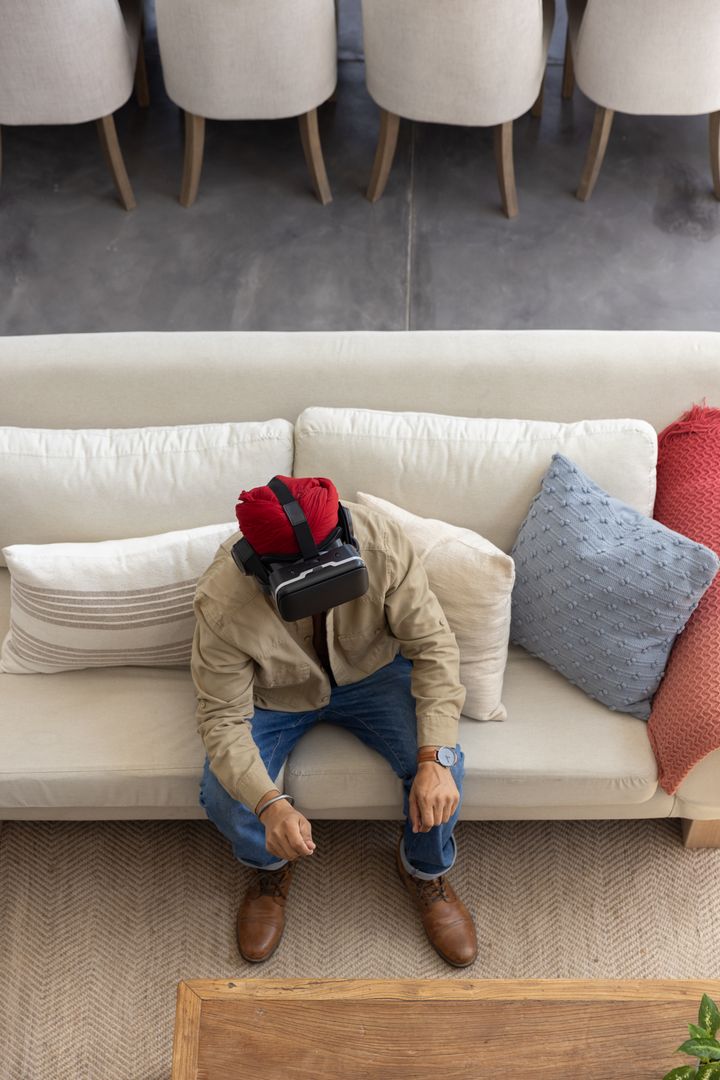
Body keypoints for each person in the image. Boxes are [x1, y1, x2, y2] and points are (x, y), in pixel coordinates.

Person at [190, 474, 477, 967]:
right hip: (277, 695)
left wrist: (434, 757)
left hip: (374, 674)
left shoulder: (382, 543)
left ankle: (424, 869)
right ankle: (270, 866)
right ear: (259, 567)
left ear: (343, 533)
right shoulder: (224, 598)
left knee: (445, 768)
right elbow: (221, 717)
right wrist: (269, 806)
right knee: (224, 795)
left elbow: (433, 647)